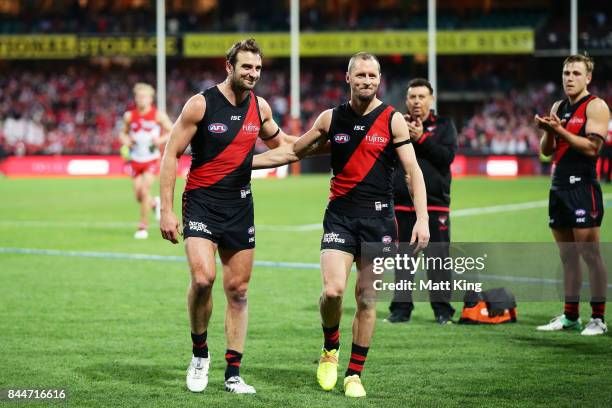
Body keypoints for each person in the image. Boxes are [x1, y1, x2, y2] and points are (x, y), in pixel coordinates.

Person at [253, 52, 429, 397]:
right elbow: (292, 152)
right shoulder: (330, 118)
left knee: (366, 298)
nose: (367, 81)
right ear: (348, 78)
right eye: (360, 75)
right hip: (340, 217)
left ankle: (354, 374)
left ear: (380, 80)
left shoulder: (392, 120)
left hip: (379, 220)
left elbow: (413, 172)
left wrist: (422, 218)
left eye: (372, 75)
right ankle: (330, 347)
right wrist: (242, 164)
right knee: (333, 290)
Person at [159, 38, 296, 394]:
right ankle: (199, 354)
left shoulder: (260, 107)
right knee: (203, 279)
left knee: (238, 290)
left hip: (239, 206)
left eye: (258, 68)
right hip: (202, 201)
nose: (253, 74)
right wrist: (167, 209)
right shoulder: (200, 104)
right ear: (229, 67)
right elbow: (171, 154)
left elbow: (285, 146)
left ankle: (233, 372)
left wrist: (333, 139)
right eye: (247, 67)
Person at [535, 54, 610, 336]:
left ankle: (598, 318)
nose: (569, 78)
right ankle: (570, 317)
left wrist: (560, 130)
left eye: (576, 73)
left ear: (588, 77)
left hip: (583, 187)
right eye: (566, 73)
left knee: (590, 255)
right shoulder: (558, 106)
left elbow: (593, 148)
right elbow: (546, 150)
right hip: (559, 187)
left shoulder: (597, 106)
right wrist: (548, 131)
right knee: (568, 257)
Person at [385, 78, 457, 325]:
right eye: (412, 97)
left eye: (421, 96)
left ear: (431, 99)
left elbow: (446, 158)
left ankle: (442, 311)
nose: (417, 101)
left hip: (435, 204)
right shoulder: (397, 124)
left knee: (437, 259)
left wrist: (422, 138)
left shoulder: (445, 126)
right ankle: (400, 310)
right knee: (403, 261)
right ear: (406, 100)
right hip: (403, 204)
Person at [119, 82, 173, 239]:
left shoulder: (158, 115)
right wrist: (126, 141)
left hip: (151, 159)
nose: (141, 99)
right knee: (139, 196)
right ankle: (154, 203)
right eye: (139, 96)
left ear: (151, 98)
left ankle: (143, 226)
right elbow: (122, 134)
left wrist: (160, 140)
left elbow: (173, 130)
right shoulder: (129, 116)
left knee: (144, 190)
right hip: (135, 159)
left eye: (144, 96)